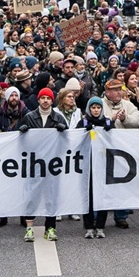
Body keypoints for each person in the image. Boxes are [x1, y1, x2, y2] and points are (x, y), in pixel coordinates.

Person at [17, 87, 70, 241]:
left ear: (52, 101)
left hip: (52, 165)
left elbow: (67, 142)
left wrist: (64, 131)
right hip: (35, 164)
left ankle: (50, 228)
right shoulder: (29, 117)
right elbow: (21, 143)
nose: (45, 101)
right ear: (38, 100)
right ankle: (29, 228)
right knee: (31, 196)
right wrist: (22, 132)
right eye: (43, 98)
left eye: (48, 98)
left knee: (51, 197)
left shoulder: (58, 118)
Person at [77, 97, 114, 238]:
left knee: (102, 196)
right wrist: (82, 130)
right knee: (89, 196)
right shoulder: (84, 122)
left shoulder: (107, 122)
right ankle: (88, 226)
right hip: (88, 164)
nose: (96, 110)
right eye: (93, 108)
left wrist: (111, 130)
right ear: (89, 109)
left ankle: (100, 226)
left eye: (98, 107)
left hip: (103, 164)